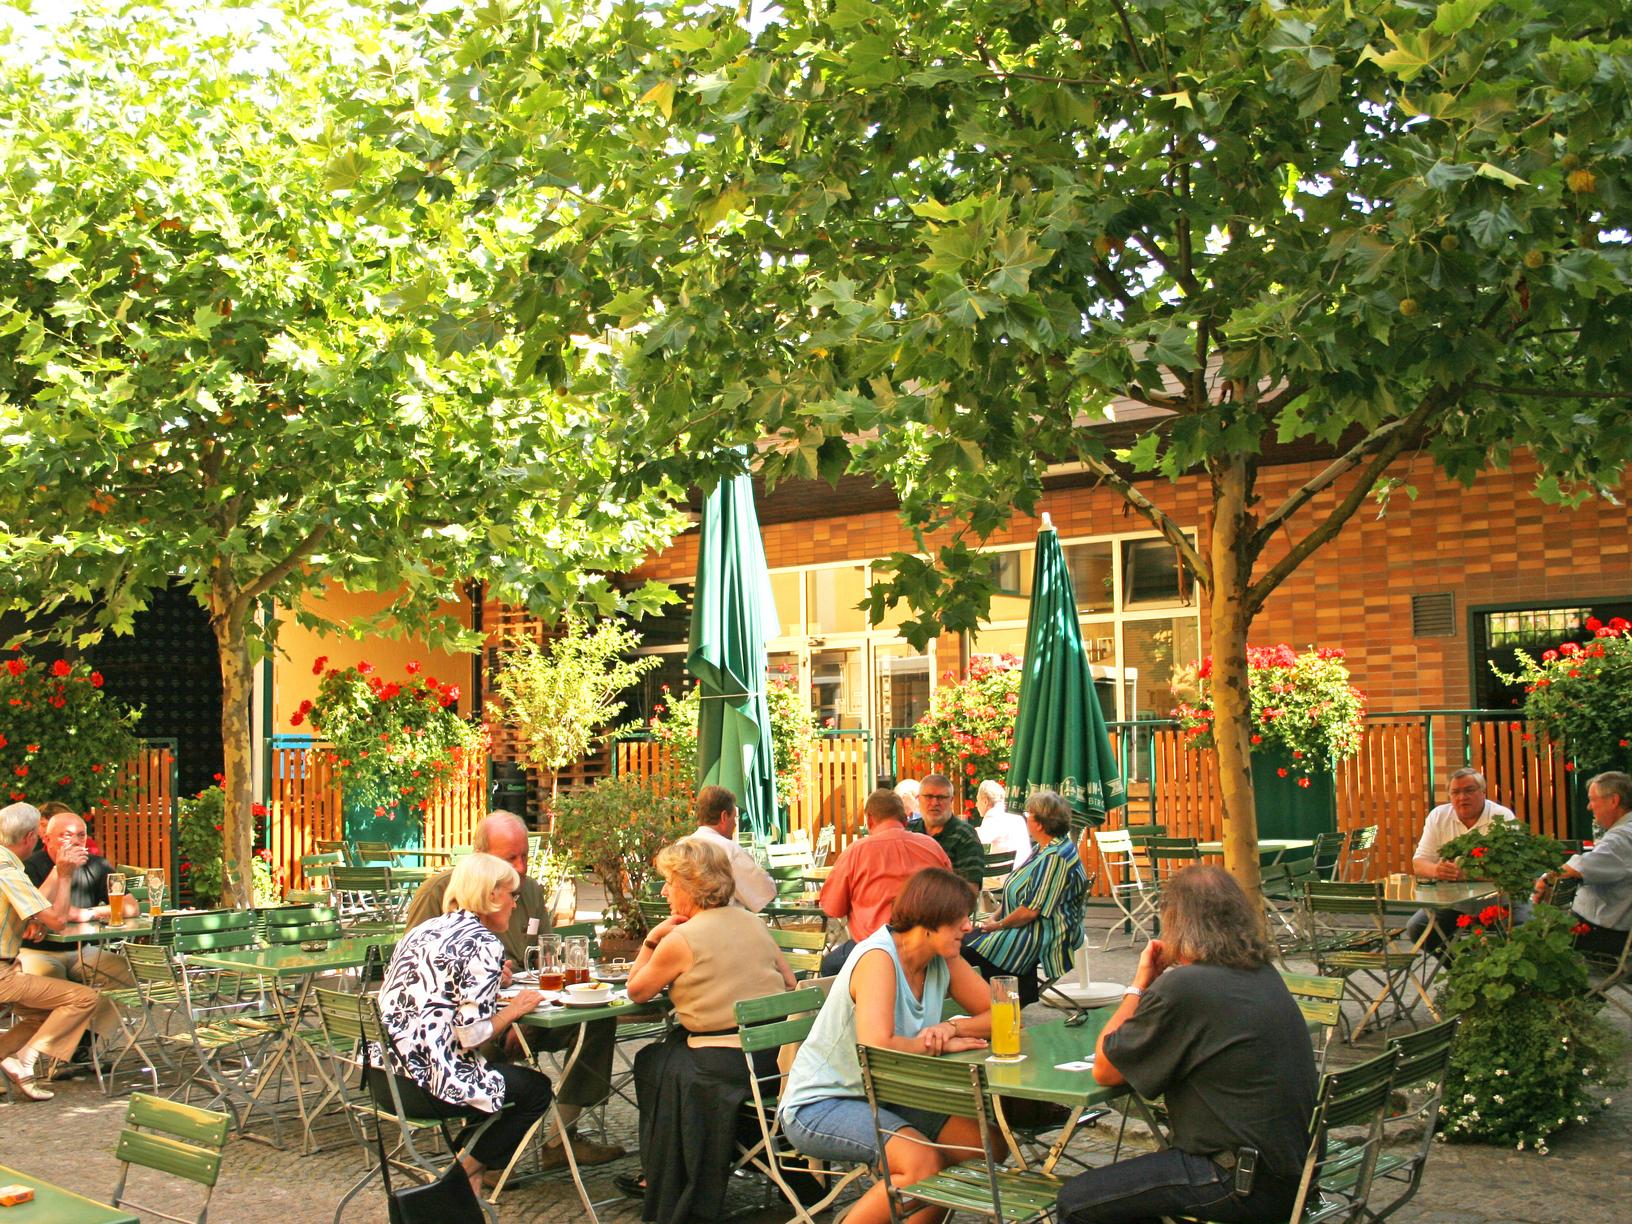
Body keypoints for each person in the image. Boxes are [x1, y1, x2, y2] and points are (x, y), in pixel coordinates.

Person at [1057, 865, 1318, 1224]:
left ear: (1176, 921)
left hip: (1236, 1180)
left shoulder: (1187, 986)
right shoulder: (1261, 972)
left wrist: (1140, 983)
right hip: (1291, 1176)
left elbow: (1105, 1069)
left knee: (1076, 1203)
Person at [403, 810, 621, 1166]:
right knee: (486, 1047)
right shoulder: (441, 893)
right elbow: (421, 974)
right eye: (509, 858)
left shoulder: (528, 890)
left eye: (525, 855)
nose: (520, 867)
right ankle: (484, 1157)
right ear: (481, 855)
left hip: (527, 1011)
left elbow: (543, 957)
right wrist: (495, 996)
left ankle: (562, 1138)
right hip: (464, 1029)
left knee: (597, 1019)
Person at [781, 867, 993, 1224]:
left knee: (980, 1147)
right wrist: (938, 1045)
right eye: (960, 919)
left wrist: (951, 1028)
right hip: (822, 1102)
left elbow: (1002, 1014)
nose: (969, 927)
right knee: (923, 1164)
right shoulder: (879, 958)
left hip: (890, 1093)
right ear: (930, 922)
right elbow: (875, 1045)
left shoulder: (943, 958)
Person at [621, 838, 796, 1221]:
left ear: (689, 885)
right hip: (775, 1061)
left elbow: (636, 991)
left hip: (726, 1068)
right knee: (668, 1053)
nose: (664, 891)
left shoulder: (682, 938)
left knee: (653, 1060)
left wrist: (652, 938)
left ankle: (663, 1174)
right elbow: (789, 983)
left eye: (668, 882)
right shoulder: (754, 922)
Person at [376, 852, 556, 1197]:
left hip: (385, 1077)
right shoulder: (483, 942)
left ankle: (468, 1182)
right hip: (426, 1085)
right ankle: (460, 1174)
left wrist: (492, 986)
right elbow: (471, 1036)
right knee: (535, 1090)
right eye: (511, 895)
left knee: (490, 1078)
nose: (516, 905)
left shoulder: (425, 929)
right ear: (490, 895)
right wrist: (513, 1011)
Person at [0, 802, 100, 1101]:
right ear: (31, 837)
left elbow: (33, 908)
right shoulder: (9, 873)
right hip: (3, 974)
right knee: (85, 998)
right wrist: (66, 875)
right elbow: (57, 921)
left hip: (9, 966)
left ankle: (11, 1059)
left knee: (42, 1014)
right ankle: (25, 1063)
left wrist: (57, 872)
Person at [960, 790, 1087, 1005]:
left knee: (966, 950)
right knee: (964, 941)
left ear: (1039, 824)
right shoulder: (1046, 847)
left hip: (1046, 932)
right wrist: (995, 917)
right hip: (1026, 925)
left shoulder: (1055, 857)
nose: (1026, 820)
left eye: (1028, 816)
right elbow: (1020, 894)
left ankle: (1003, 1005)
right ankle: (1002, 1003)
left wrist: (998, 925)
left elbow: (1030, 911)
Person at [21, 807, 130, 1043]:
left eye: (81, 835)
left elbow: (131, 906)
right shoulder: (30, 867)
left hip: (82, 949)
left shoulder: (97, 865)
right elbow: (30, 911)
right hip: (38, 952)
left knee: (127, 975)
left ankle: (85, 1041)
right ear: (46, 838)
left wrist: (87, 913)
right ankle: (59, 1052)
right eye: (67, 835)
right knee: (56, 987)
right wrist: (60, 872)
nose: (76, 841)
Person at [818, 788, 950, 975]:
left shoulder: (856, 852)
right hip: (931, 948)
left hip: (876, 949)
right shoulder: (932, 847)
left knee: (830, 966)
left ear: (870, 819)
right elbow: (953, 899)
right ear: (905, 819)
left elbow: (833, 908)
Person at [1406, 768, 1517, 950]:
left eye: (1469, 790)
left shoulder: (1501, 817)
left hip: (1500, 900)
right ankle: (1461, 970)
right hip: (1454, 903)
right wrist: (1436, 870)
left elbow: (1511, 870)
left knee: (1521, 931)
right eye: (1455, 792)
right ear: (1449, 795)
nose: (1462, 797)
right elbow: (1419, 863)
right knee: (1417, 929)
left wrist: (1465, 873)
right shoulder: (1438, 816)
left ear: (1483, 792)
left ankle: (1498, 974)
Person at [1534, 771, 1632, 956]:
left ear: (1614, 801)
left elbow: (1577, 869)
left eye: (1593, 799)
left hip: (1604, 931)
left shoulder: (1620, 839)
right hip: (1615, 925)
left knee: (1526, 933)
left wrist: (1546, 879)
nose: (1588, 807)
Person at [682, 785, 775, 912]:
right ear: (724, 817)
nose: (735, 824)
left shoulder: (679, 847)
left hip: (683, 926)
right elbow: (765, 893)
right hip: (723, 927)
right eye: (734, 817)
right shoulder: (729, 850)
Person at [909, 773, 987, 889]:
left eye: (941, 797)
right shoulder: (908, 831)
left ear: (951, 800)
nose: (935, 803)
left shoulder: (965, 836)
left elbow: (971, 890)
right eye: (929, 796)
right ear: (918, 799)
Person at [973, 780, 1031, 869]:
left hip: (1004, 879)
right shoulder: (1018, 819)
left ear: (985, 801)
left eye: (977, 800)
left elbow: (977, 840)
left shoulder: (993, 817)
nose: (976, 805)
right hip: (1023, 876)